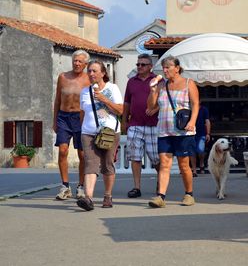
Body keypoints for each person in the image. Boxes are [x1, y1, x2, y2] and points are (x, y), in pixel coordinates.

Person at [147, 55, 199, 208]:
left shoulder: (188, 83)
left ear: (177, 68)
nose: (165, 70)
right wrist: (152, 91)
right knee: (164, 164)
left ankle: (189, 194)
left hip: (183, 131)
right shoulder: (161, 85)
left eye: (168, 67)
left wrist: (192, 122)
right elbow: (150, 106)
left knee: (184, 165)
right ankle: (160, 196)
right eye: (163, 67)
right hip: (164, 130)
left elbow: (196, 105)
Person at [76, 60, 123, 211]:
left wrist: (104, 99)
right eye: (89, 71)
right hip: (89, 133)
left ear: (103, 73)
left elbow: (120, 110)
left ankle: (107, 195)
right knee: (90, 164)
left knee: (108, 164)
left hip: (109, 133)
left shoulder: (113, 88)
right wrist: (82, 129)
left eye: (94, 71)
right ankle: (88, 198)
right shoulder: (84, 91)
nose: (91, 74)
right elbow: (83, 113)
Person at [53, 49, 90, 200]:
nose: (76, 63)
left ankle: (81, 186)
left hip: (80, 118)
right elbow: (57, 100)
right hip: (63, 117)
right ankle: (65, 185)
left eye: (80, 61)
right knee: (62, 151)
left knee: (82, 154)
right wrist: (55, 120)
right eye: (75, 60)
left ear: (85, 64)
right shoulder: (63, 77)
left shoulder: (89, 79)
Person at [122, 53, 160, 198]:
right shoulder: (131, 81)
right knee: (135, 157)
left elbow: (163, 100)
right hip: (135, 124)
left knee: (156, 158)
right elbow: (127, 102)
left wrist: (155, 109)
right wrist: (124, 121)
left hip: (153, 125)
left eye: (143, 64)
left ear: (150, 66)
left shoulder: (157, 81)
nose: (139, 67)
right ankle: (136, 187)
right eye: (138, 64)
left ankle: (160, 182)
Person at [190, 104, 211, 176]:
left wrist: (208, 133)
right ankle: (194, 170)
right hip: (190, 133)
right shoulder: (189, 108)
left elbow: (207, 121)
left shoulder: (203, 109)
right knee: (192, 151)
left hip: (201, 133)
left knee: (200, 150)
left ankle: (201, 164)